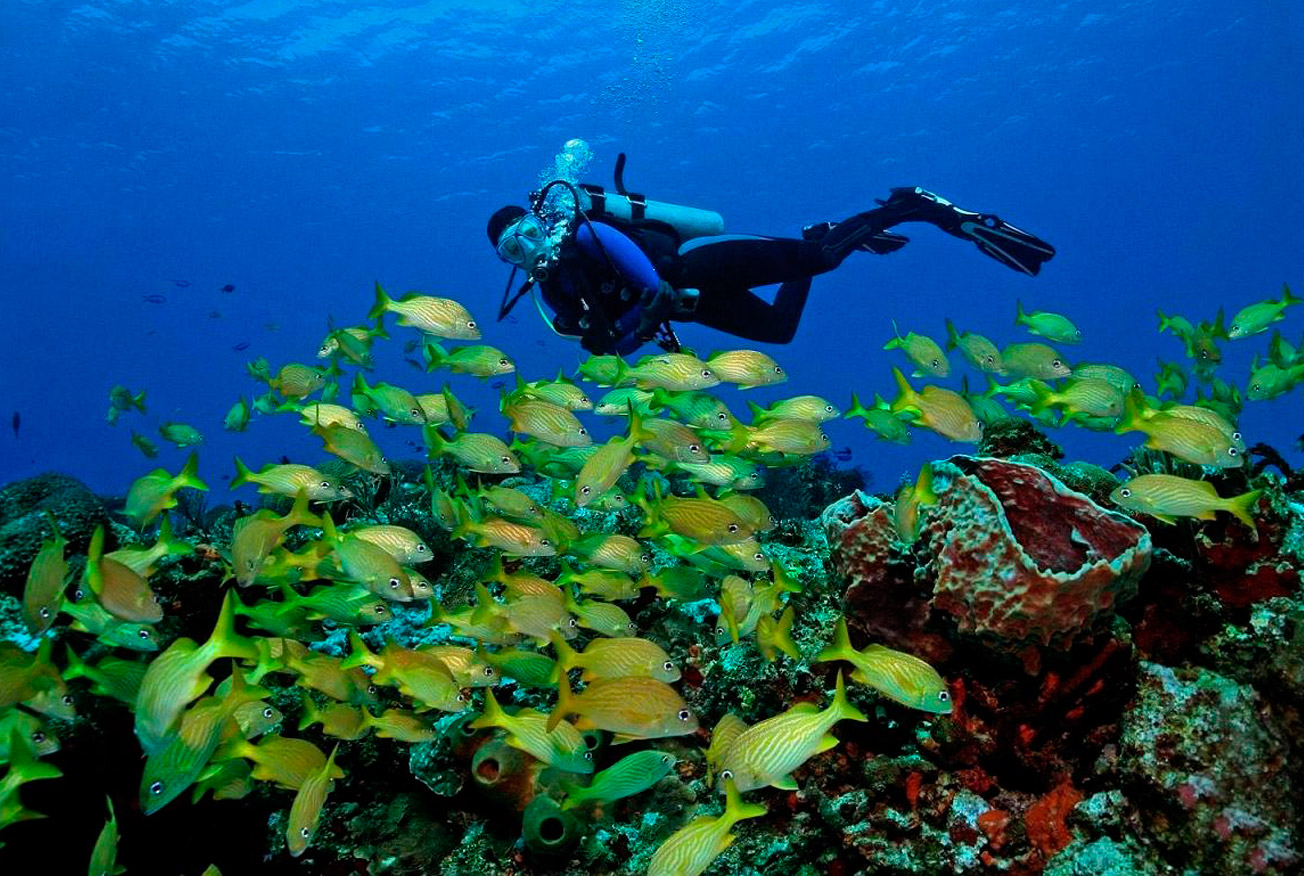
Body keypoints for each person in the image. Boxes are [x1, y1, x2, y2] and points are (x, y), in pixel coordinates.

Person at [487, 169, 1055, 356]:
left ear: (543, 222)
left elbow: (637, 268)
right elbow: (605, 347)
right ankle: (819, 237)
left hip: (694, 266)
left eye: (528, 233)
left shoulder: (584, 237)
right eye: (513, 250)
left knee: (826, 260)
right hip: (690, 307)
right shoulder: (552, 295)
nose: (528, 249)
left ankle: (913, 206)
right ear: (507, 261)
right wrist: (643, 319)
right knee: (781, 331)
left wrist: (648, 307)